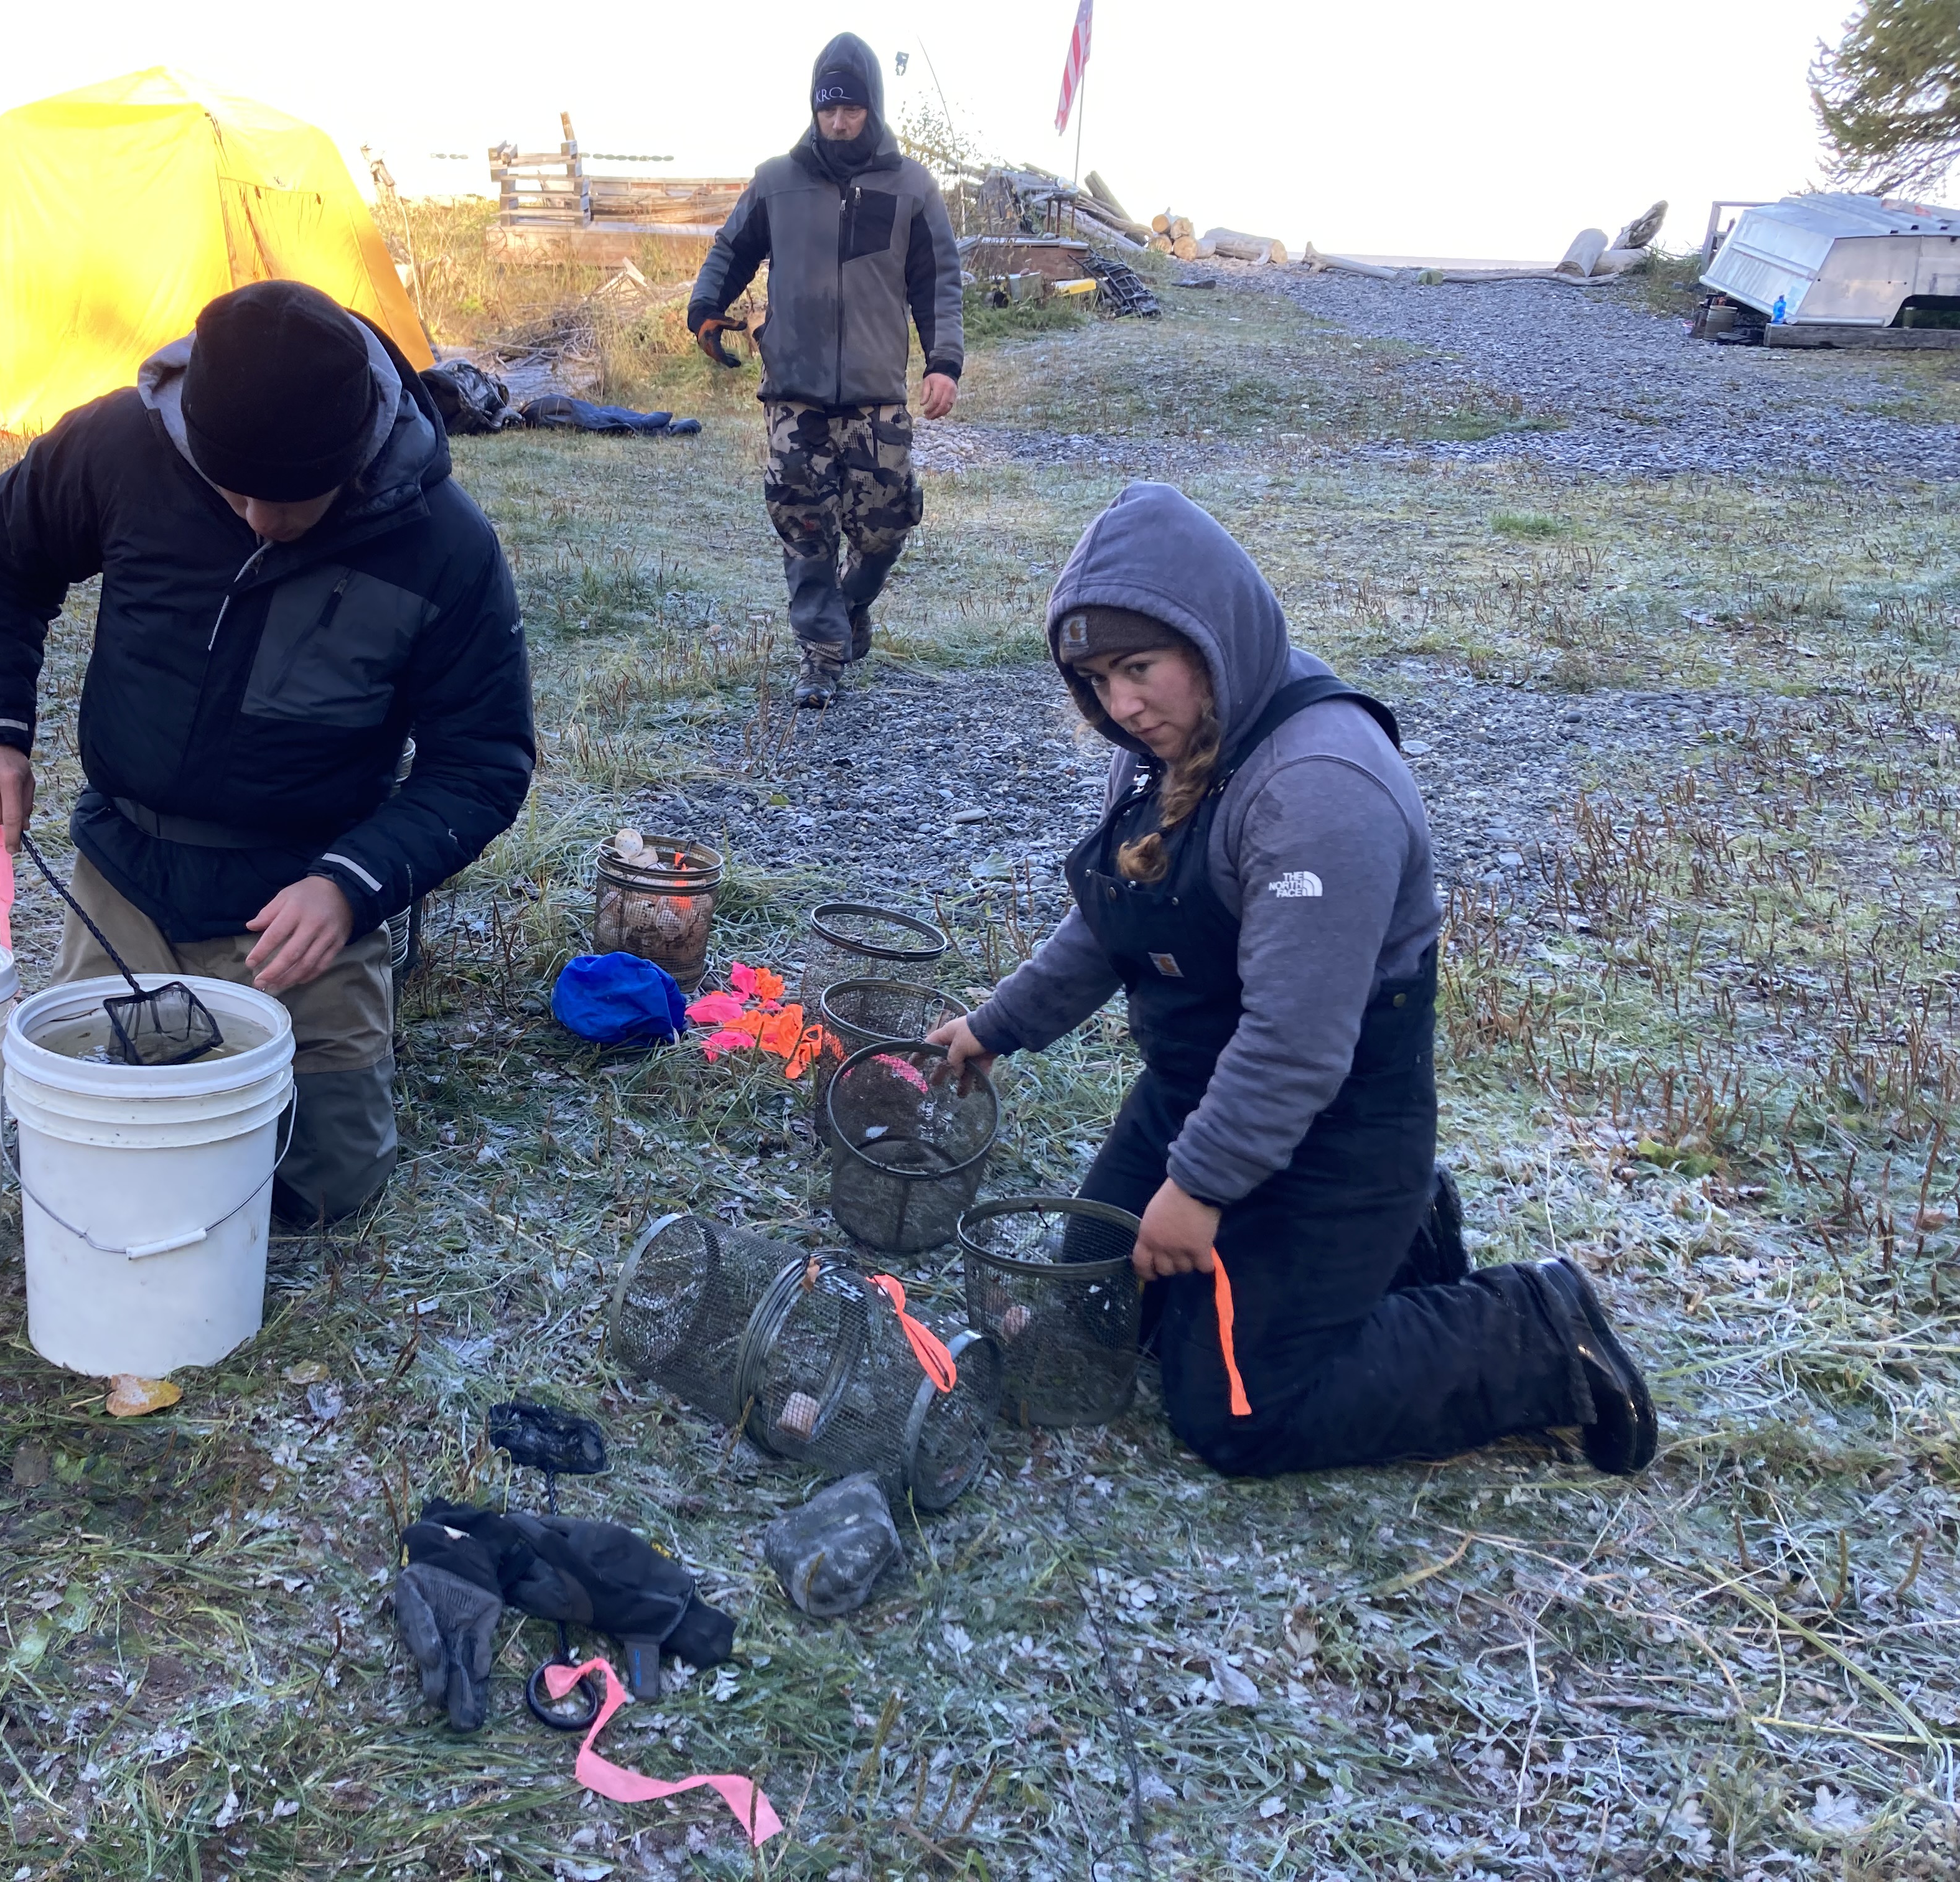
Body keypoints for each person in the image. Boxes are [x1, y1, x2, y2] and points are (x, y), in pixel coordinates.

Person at [931, 483, 1657, 1479]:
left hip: (1334, 1124)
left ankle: (1536, 1330)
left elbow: (1297, 1041)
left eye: (1140, 669)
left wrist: (1199, 1186)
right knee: (1097, 1303)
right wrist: (995, 1026)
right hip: (1199, 1088)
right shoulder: (1166, 744)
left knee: (1239, 1410)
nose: (1122, 705)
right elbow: (1115, 918)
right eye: (1096, 678)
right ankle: (1400, 1251)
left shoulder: (1318, 790)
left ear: (1212, 640)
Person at [0, 280, 536, 1225]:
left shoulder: (444, 546)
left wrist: (348, 886)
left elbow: (483, 762)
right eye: (234, 490)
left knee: (324, 1190)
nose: (259, 519)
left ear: (354, 454)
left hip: (300, 901)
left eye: (290, 498)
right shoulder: (123, 445)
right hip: (126, 873)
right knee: (91, 1148)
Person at [687, 31, 963, 709]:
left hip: (876, 396)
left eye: (852, 109)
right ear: (813, 109)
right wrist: (704, 309)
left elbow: (938, 281)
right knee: (804, 526)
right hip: (795, 393)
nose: (839, 122)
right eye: (828, 109)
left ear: (873, 108)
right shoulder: (777, 181)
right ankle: (821, 655)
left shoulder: (912, 187)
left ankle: (851, 604)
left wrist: (944, 363)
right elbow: (731, 249)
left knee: (887, 526)